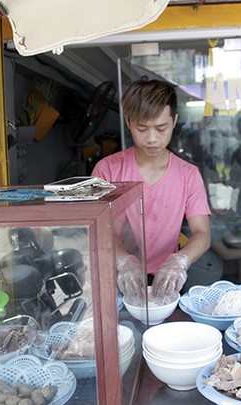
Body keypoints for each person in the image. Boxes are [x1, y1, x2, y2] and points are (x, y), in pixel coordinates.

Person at [92, 78, 211, 301]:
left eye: (161, 128)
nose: (152, 138)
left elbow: (202, 234)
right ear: (128, 122)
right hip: (118, 277)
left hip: (168, 279)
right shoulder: (107, 170)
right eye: (142, 128)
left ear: (174, 121)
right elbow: (102, 232)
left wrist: (179, 261)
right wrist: (124, 262)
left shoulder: (188, 175)